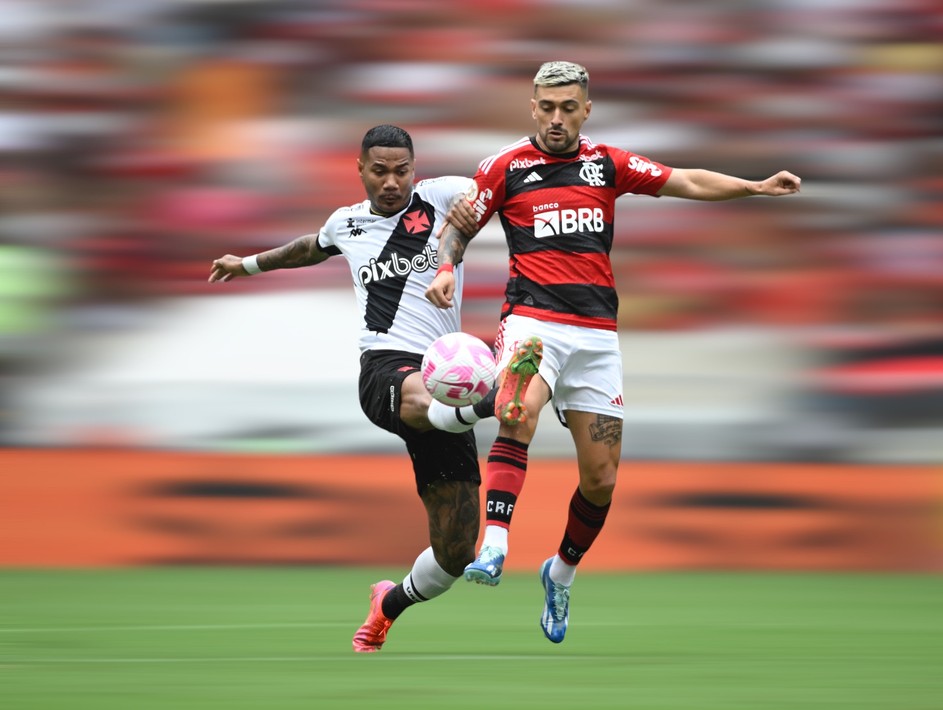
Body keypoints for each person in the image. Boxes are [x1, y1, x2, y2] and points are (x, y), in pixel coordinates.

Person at [426, 61, 801, 644]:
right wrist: (447, 266)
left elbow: (688, 181)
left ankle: (561, 572)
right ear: (532, 107)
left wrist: (753, 186)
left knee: (600, 480)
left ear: (586, 110)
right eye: (546, 107)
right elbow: (460, 224)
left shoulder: (607, 163)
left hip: (597, 335)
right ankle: (494, 546)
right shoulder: (504, 167)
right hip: (532, 320)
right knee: (515, 407)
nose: (556, 118)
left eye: (567, 107)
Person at [209, 124, 497, 653]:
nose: (391, 181)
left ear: (415, 168)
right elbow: (308, 249)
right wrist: (246, 264)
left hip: (447, 379)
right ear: (360, 170)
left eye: (401, 170)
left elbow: (504, 188)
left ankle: (388, 605)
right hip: (386, 369)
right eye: (380, 170)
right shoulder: (347, 223)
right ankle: (491, 404)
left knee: (456, 552)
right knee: (421, 397)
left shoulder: (444, 194)